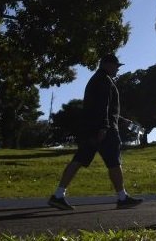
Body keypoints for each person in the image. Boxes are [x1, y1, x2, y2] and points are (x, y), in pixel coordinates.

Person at [48, 54, 143, 210]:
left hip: (91, 128)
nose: (117, 69)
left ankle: (58, 195)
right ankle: (122, 197)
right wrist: (104, 127)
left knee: (79, 159)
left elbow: (101, 108)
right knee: (114, 162)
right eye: (116, 65)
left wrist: (120, 120)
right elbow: (102, 106)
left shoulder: (97, 80)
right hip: (105, 130)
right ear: (106, 64)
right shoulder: (104, 80)